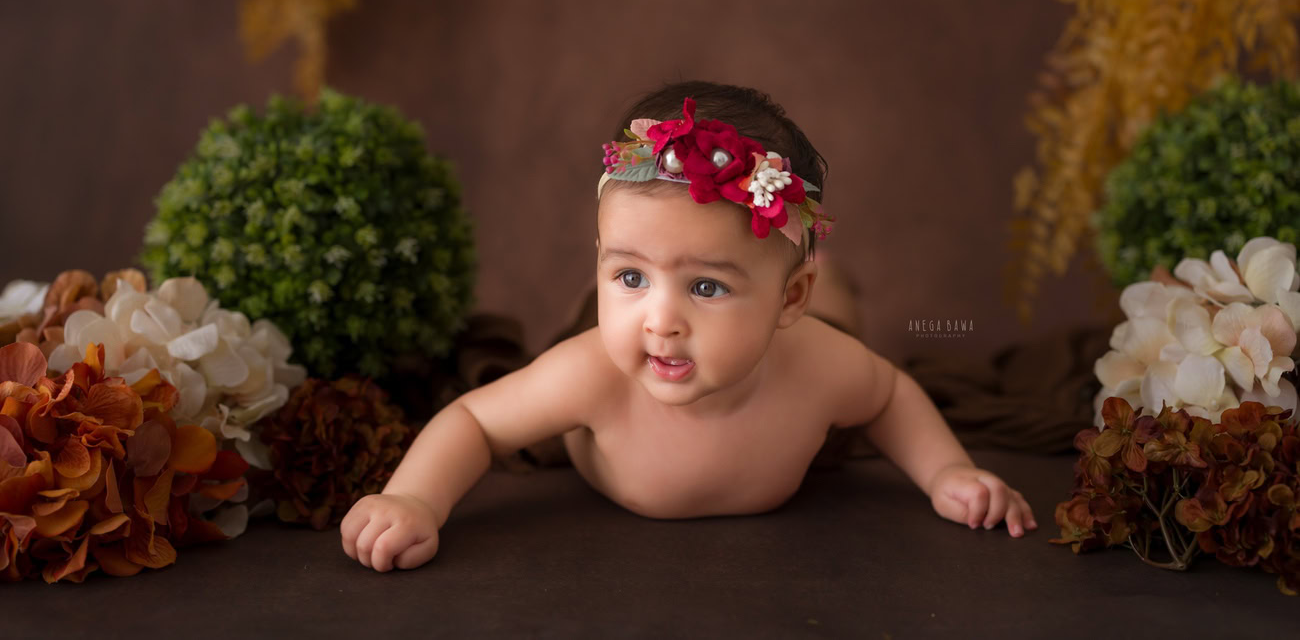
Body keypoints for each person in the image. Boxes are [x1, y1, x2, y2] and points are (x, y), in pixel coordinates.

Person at [341, 81, 1038, 572]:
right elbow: (474, 420)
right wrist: (414, 496)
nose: (664, 320)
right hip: (617, 344)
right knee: (630, 324)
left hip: (794, 327)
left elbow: (887, 394)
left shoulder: (820, 362)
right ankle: (666, 287)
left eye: (705, 285)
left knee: (840, 321)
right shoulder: (591, 372)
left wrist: (946, 469)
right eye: (630, 274)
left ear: (789, 297)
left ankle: (831, 280)